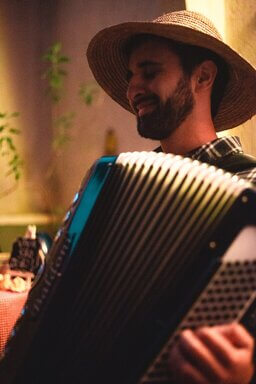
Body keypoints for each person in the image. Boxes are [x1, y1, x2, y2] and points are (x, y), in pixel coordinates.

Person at [87, 10, 256, 384]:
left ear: (203, 77)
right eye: (132, 76)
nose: (133, 88)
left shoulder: (250, 186)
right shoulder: (123, 185)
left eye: (149, 71)